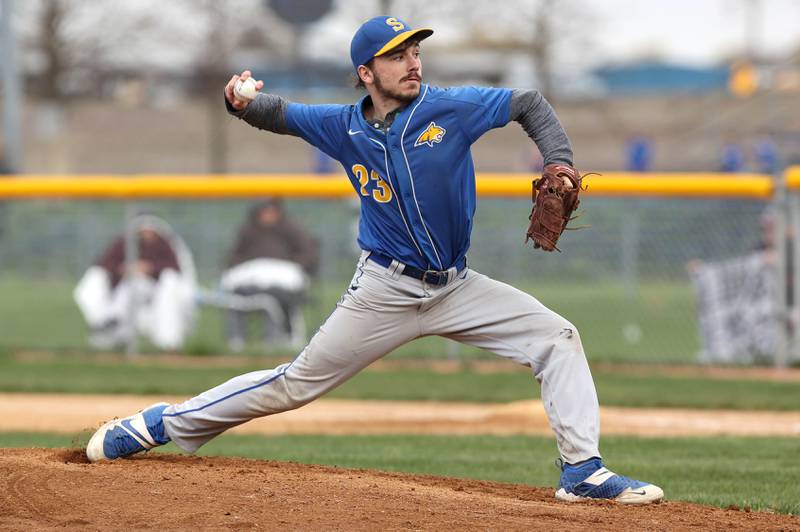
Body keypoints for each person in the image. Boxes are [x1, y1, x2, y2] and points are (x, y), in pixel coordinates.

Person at [86, 16, 663, 504]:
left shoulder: (451, 108)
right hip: (384, 290)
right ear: (367, 73)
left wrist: (560, 161)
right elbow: (279, 113)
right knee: (293, 386)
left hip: (457, 288)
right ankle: (158, 424)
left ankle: (582, 471)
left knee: (557, 337)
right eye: (396, 56)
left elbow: (529, 104)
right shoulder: (344, 126)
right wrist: (238, 101)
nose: (413, 63)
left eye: (415, 51)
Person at [74, 218, 195, 350]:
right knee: (129, 287)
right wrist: (123, 269)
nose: (147, 235)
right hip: (125, 288)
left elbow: (175, 269)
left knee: (137, 284)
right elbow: (106, 262)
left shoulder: (165, 245)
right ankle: (110, 321)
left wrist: (151, 268)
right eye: (143, 231)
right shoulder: (125, 243)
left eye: (150, 231)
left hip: (155, 291)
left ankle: (110, 319)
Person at [221, 198, 319, 351]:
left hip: (281, 280)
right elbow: (233, 257)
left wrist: (291, 265)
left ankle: (277, 340)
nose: (267, 216)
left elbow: (307, 254)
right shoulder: (248, 231)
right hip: (251, 280)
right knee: (234, 294)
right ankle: (236, 340)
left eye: (271, 212)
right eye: (264, 212)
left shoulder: (291, 229)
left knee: (275, 297)